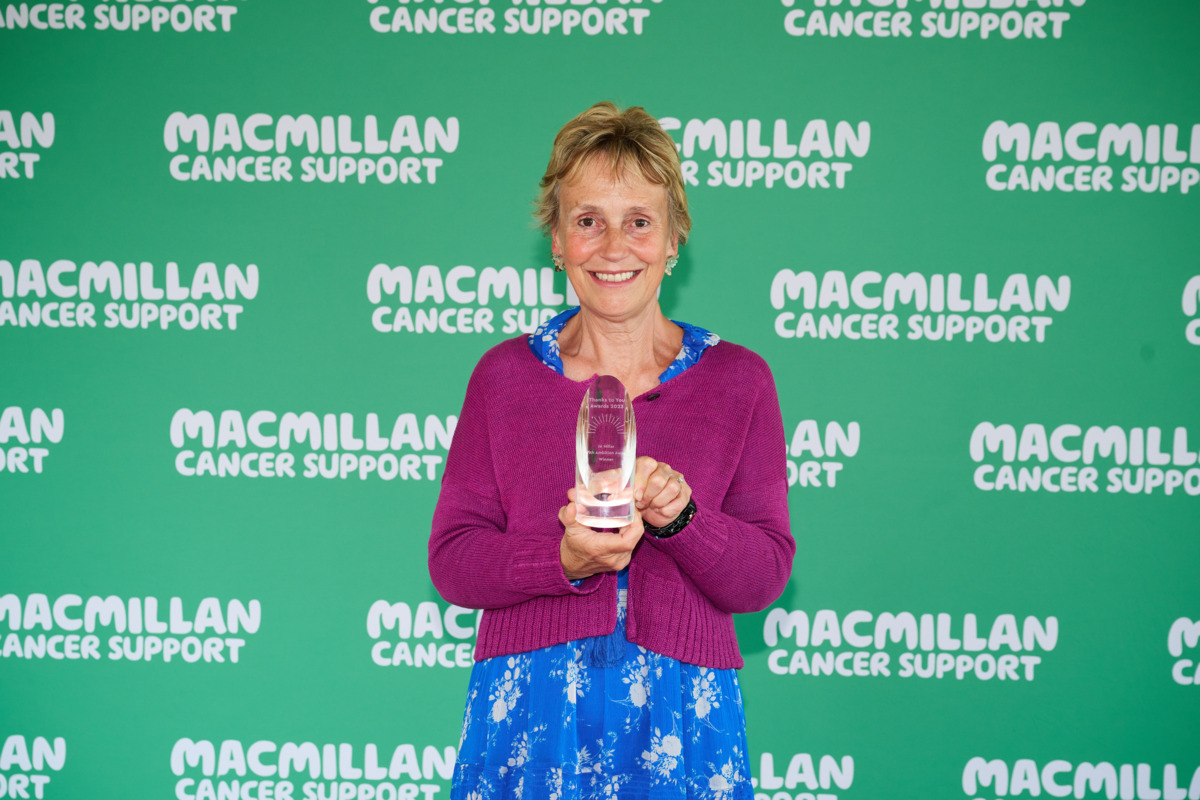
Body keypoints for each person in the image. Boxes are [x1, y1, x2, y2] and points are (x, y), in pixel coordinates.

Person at [429, 101, 793, 800]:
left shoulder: (739, 380)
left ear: (674, 239)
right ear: (557, 241)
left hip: (681, 716)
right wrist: (560, 558)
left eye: (639, 221)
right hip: (529, 711)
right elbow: (452, 562)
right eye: (588, 221)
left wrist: (684, 520)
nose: (615, 246)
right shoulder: (502, 377)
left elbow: (764, 576)